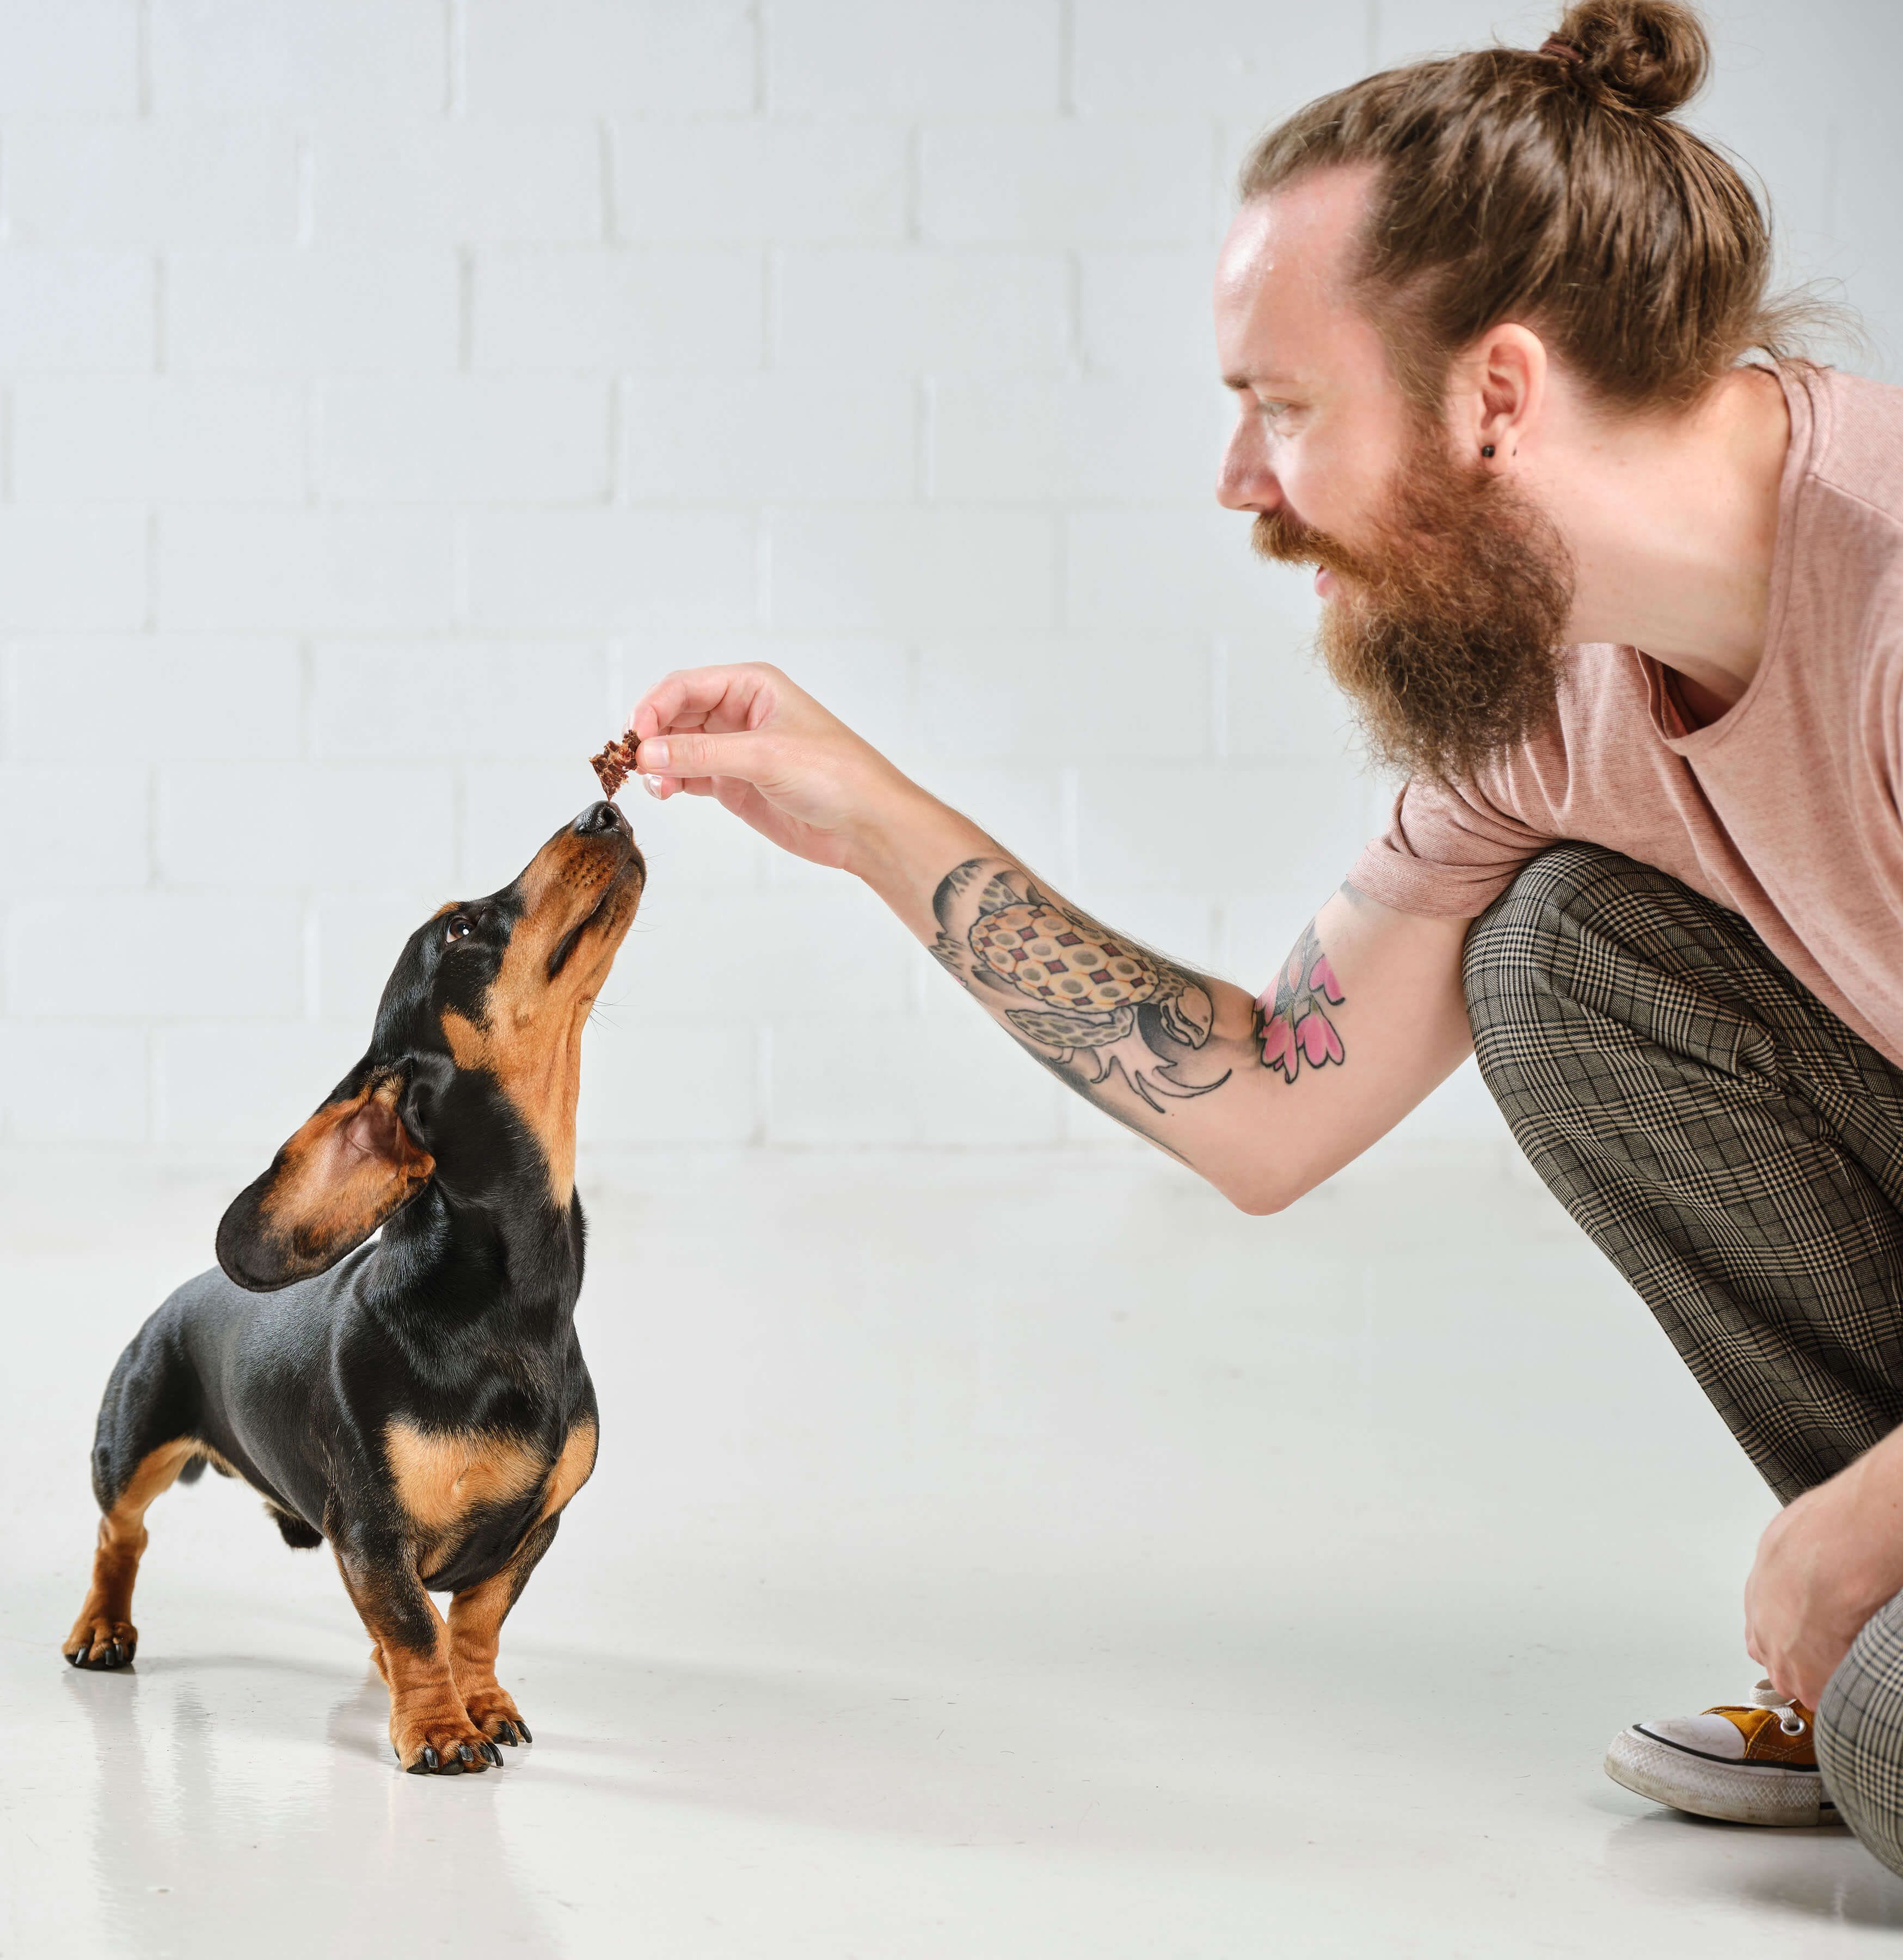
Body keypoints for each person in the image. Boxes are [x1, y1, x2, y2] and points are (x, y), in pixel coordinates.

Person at [630, 0, 1903, 1865]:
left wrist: (1869, 1523)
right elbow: (1267, 1098)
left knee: (1886, 1742)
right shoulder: (1559, 705)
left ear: (1495, 395)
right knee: (1553, 952)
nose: (1242, 485)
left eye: (1283, 407)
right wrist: (873, 820)